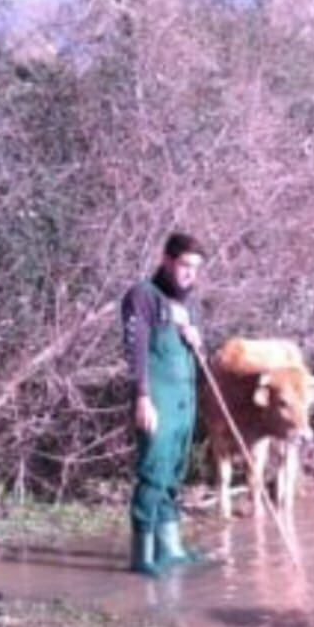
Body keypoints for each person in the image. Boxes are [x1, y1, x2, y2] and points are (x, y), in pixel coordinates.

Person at [122, 233, 208, 576]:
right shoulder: (143, 296)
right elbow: (135, 350)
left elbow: (198, 359)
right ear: (167, 260)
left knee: (175, 471)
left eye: (196, 268)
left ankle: (170, 547)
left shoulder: (188, 305)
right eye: (185, 265)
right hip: (158, 397)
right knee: (153, 470)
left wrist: (197, 341)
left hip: (185, 400)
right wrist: (143, 397)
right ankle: (142, 555)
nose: (190, 275)